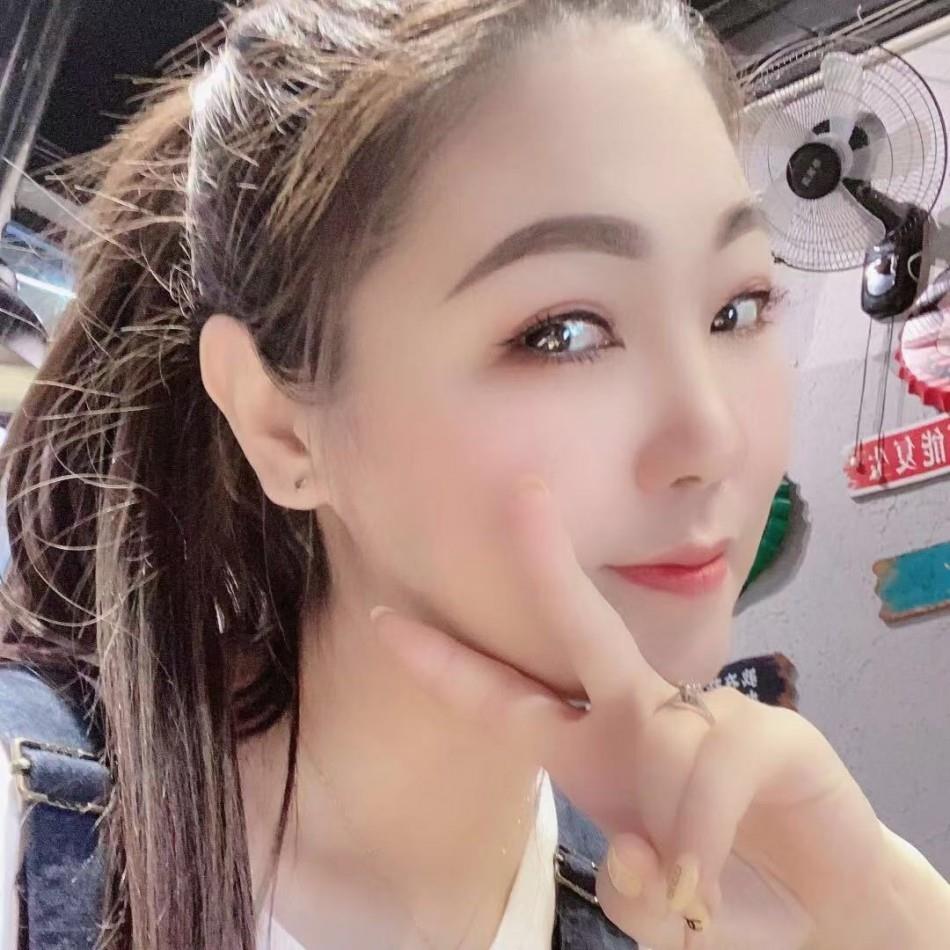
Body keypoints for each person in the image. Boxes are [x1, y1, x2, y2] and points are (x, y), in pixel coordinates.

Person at [0, 0, 947, 947]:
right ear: (281, 426)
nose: (713, 439)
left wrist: (884, 921)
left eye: (737, 309)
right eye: (563, 333)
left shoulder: (701, 901)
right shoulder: (27, 845)